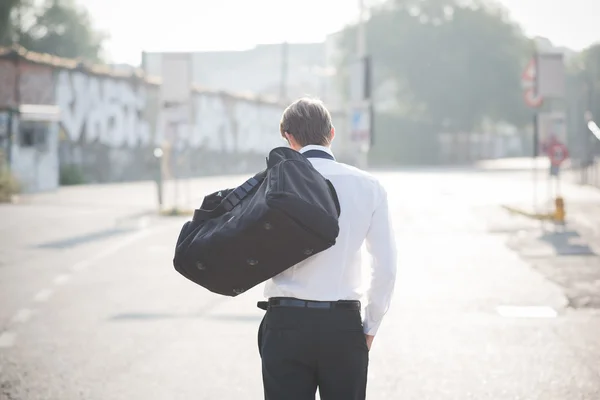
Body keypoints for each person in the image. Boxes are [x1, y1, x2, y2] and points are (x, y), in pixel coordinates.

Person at [257, 97, 397, 400]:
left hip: (285, 323)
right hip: (342, 325)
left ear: (287, 136)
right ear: (331, 133)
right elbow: (385, 267)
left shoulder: (273, 184)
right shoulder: (369, 186)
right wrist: (370, 326)